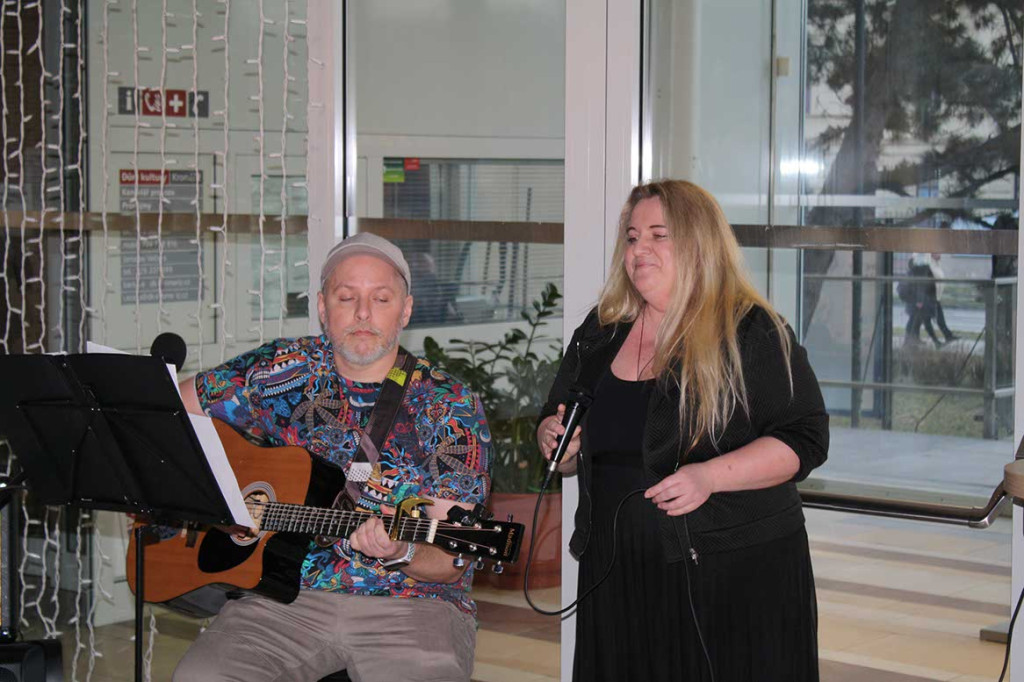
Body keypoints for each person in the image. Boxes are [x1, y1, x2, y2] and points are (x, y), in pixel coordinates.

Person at [537, 180, 829, 682]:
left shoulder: (751, 332)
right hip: (616, 574)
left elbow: (805, 437)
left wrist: (709, 477)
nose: (639, 249)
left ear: (699, 243)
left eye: (659, 235)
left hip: (728, 576)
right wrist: (554, 440)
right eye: (632, 238)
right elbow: (557, 424)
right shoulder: (600, 332)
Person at [172, 232, 492, 682]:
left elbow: (449, 561)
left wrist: (402, 550)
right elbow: (170, 417)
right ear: (323, 308)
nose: (363, 313)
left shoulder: (449, 406)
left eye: (381, 298)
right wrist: (214, 499)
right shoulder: (280, 368)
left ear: (405, 310)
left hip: (412, 604)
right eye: (346, 297)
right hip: (282, 598)